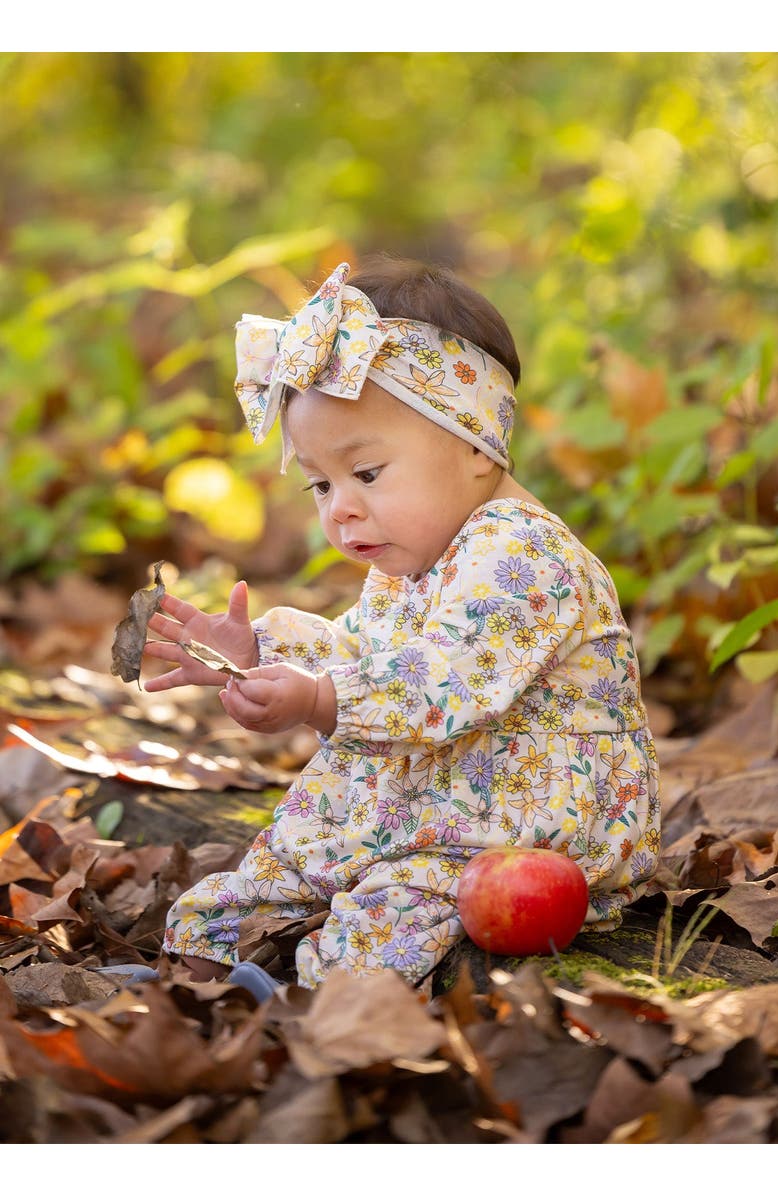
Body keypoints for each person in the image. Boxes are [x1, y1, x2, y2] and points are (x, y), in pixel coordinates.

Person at [142, 257, 661, 993]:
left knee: (398, 909)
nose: (340, 508)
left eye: (368, 474)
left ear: (477, 447)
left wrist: (319, 699)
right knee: (280, 857)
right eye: (321, 484)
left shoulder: (524, 553)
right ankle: (194, 974)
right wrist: (260, 654)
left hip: (526, 824)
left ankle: (306, 1009)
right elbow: (366, 652)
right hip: (430, 795)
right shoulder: (409, 562)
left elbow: (445, 684)